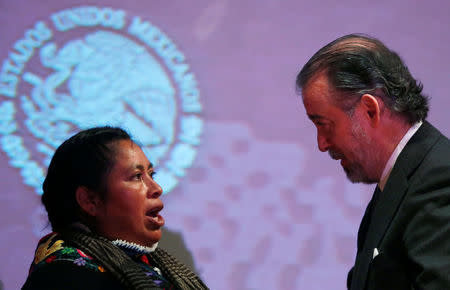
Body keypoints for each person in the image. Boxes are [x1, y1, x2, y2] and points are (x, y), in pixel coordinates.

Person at [296, 34, 450, 289]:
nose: (321, 144)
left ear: (370, 110)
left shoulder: (439, 181)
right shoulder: (405, 177)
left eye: (324, 125)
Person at [22, 126, 209, 290]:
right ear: (90, 200)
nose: (156, 188)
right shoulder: (63, 277)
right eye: (137, 176)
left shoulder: (152, 266)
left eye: (152, 174)